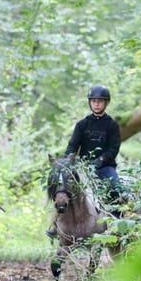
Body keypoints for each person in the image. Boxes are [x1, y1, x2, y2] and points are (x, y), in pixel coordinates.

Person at [46, 85, 122, 239]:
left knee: (116, 187)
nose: (96, 104)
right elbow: (72, 146)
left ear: (106, 103)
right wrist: (69, 160)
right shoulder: (82, 124)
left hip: (105, 168)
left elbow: (113, 149)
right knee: (62, 188)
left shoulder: (112, 125)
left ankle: (116, 221)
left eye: (100, 101)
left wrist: (100, 161)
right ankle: (55, 224)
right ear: (90, 103)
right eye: (93, 101)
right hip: (82, 167)